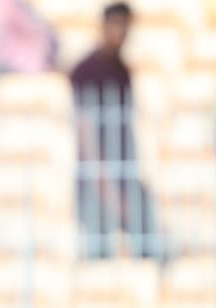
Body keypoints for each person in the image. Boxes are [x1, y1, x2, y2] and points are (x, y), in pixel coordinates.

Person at [70, 2, 167, 260]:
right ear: (103, 27)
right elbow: (85, 131)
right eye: (116, 24)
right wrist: (107, 188)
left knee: (148, 249)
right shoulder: (87, 70)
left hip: (123, 171)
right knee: (99, 257)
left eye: (125, 25)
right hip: (97, 179)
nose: (121, 31)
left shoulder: (122, 69)